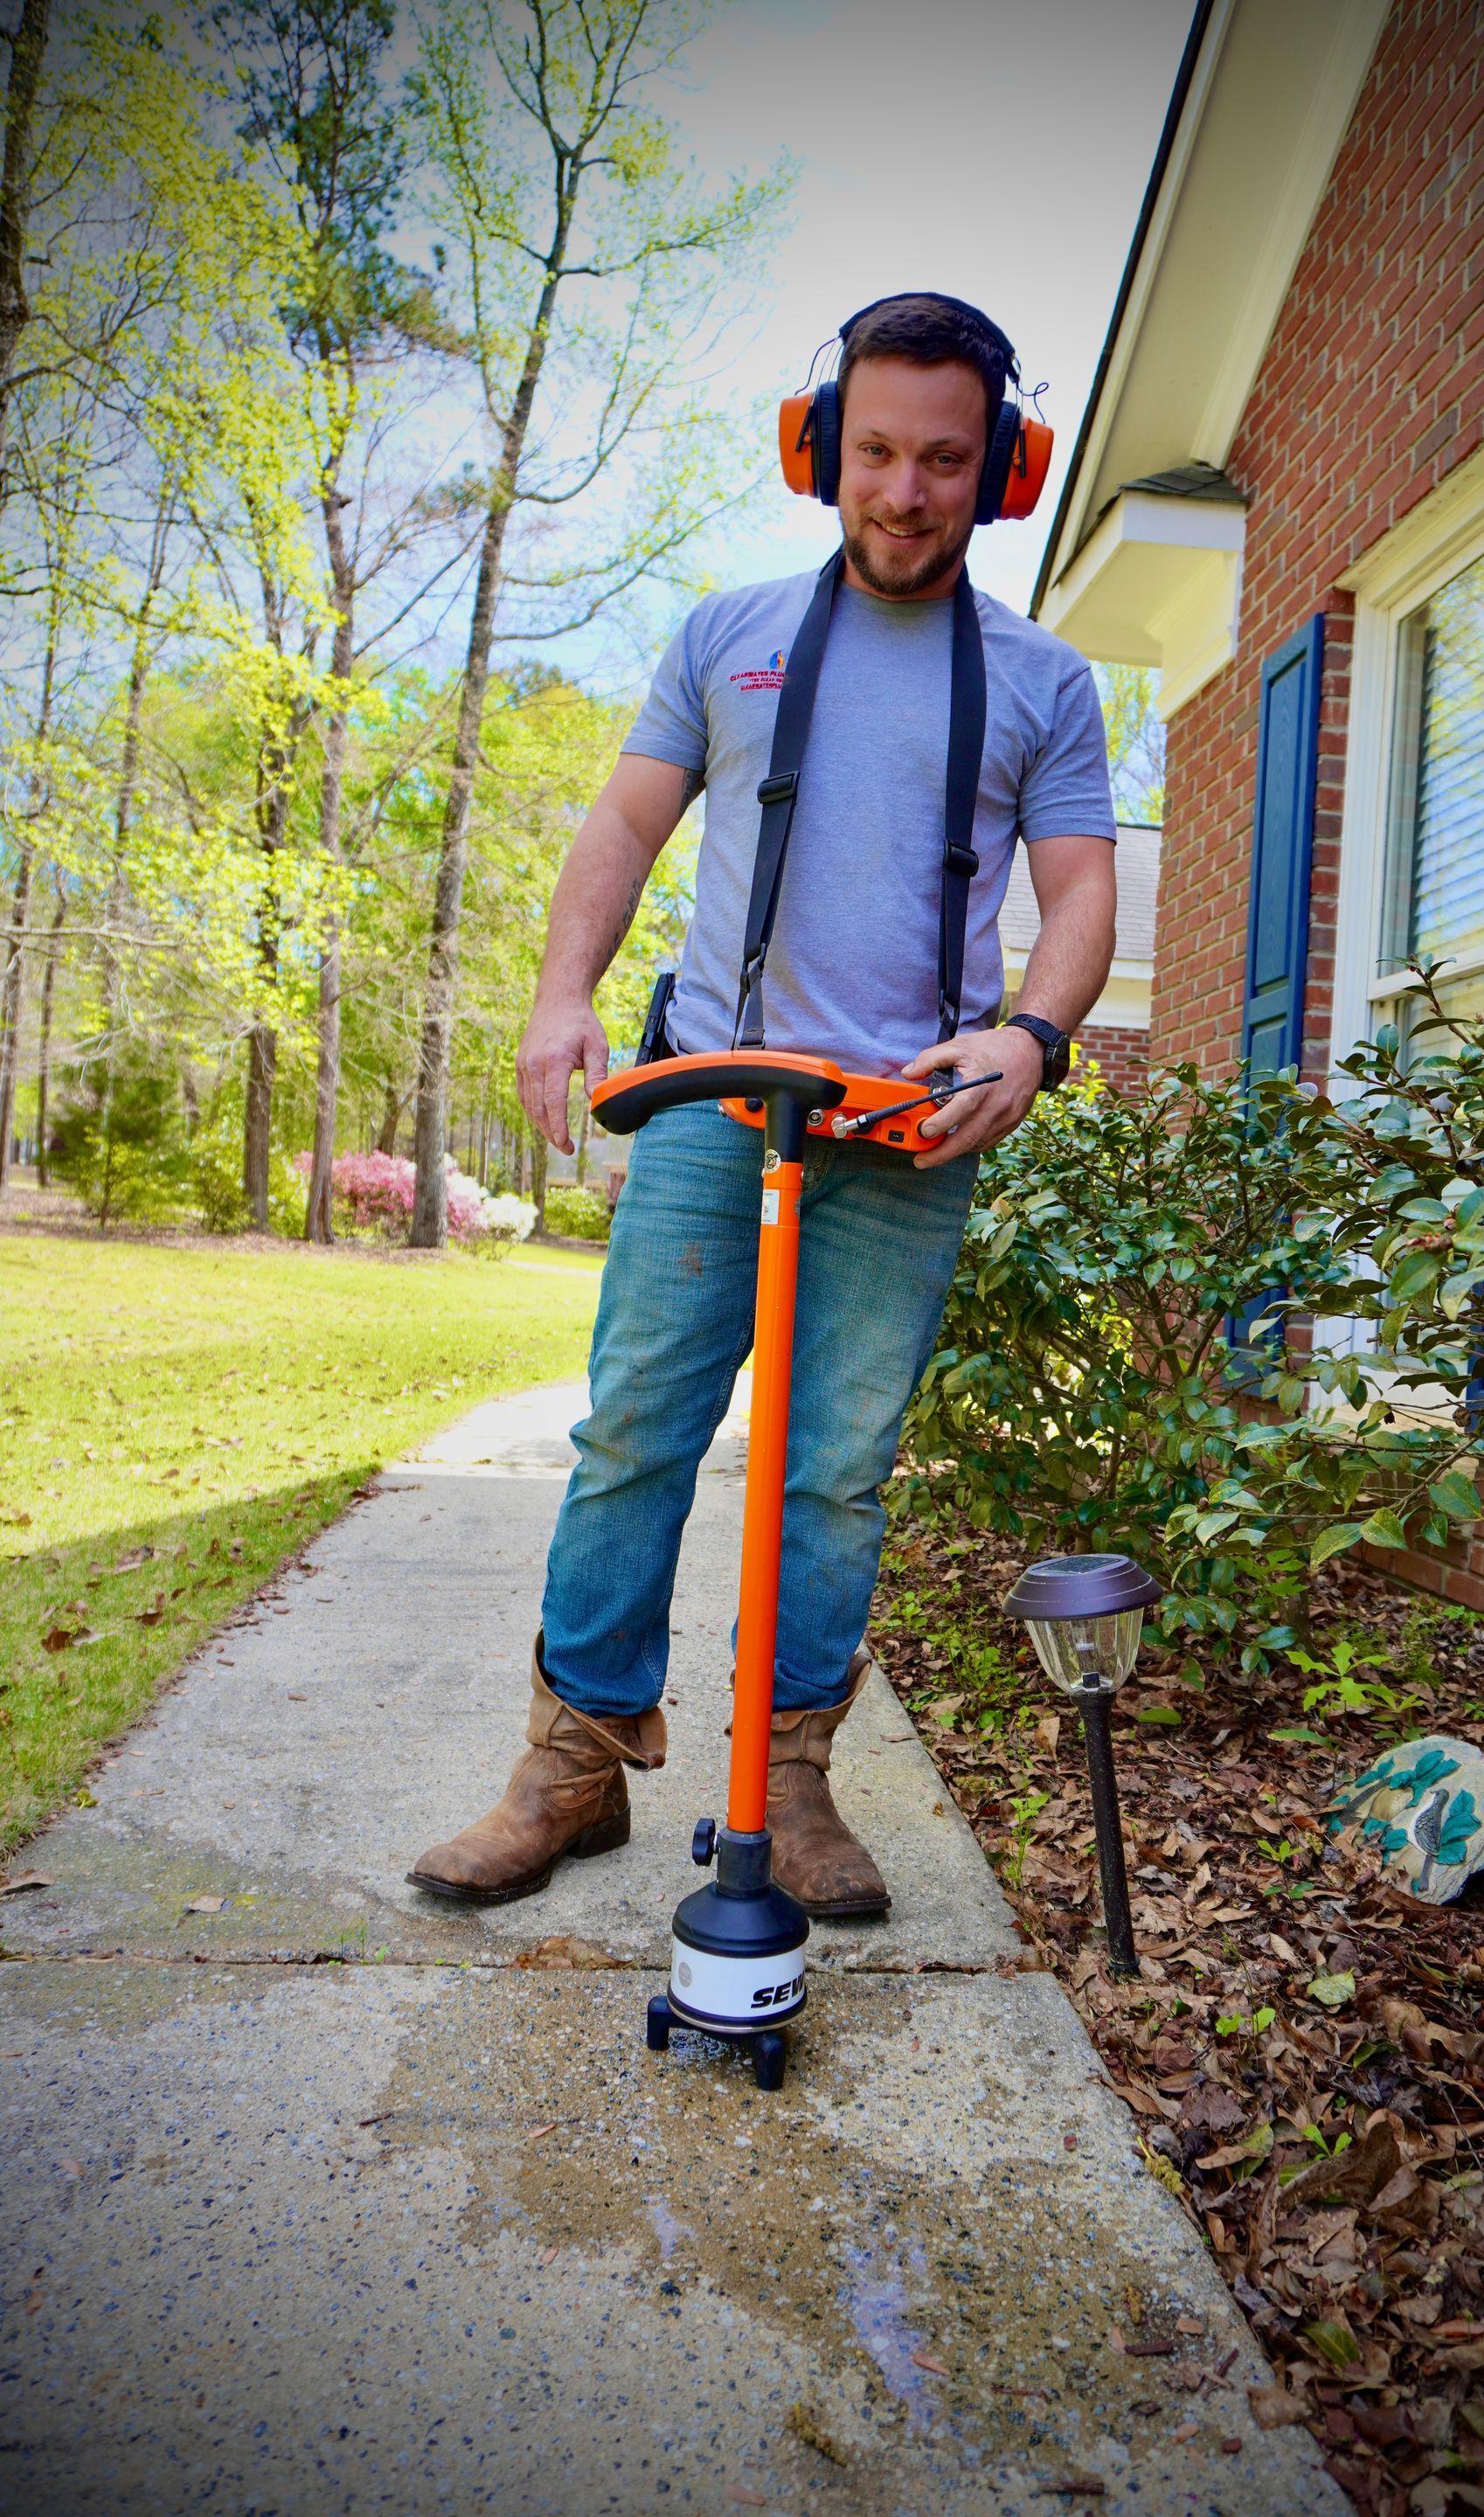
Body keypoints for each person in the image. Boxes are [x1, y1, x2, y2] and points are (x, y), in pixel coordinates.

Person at [408, 292, 1118, 1920]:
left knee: (839, 1470)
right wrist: (558, 993)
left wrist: (1032, 1038)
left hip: (908, 1130)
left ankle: (788, 1778)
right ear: (825, 451)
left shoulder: (1043, 679)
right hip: (716, 1109)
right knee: (635, 1431)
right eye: (876, 450)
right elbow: (625, 825)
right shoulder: (722, 632)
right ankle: (572, 1761)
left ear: (999, 468)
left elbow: (1080, 890)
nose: (906, 489)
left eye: (947, 458)